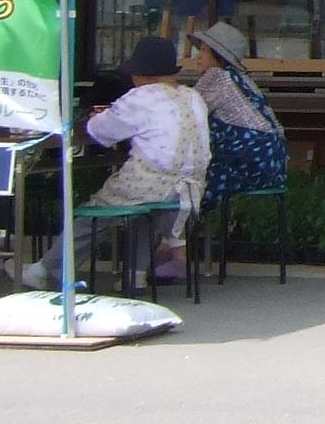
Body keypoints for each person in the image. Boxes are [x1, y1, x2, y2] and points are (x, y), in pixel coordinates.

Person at [21, 35, 211, 288]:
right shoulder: (193, 97)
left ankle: (43, 270)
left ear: (140, 74)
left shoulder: (140, 97)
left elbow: (101, 131)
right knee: (145, 215)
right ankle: (135, 275)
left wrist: (99, 115)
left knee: (94, 214)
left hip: (151, 182)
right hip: (190, 189)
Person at [186, 19, 289, 209]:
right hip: (273, 164)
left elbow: (186, 115)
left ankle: (180, 227)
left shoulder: (216, 77)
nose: (198, 56)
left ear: (218, 56)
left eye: (204, 51)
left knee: (185, 183)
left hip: (246, 160)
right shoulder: (242, 79)